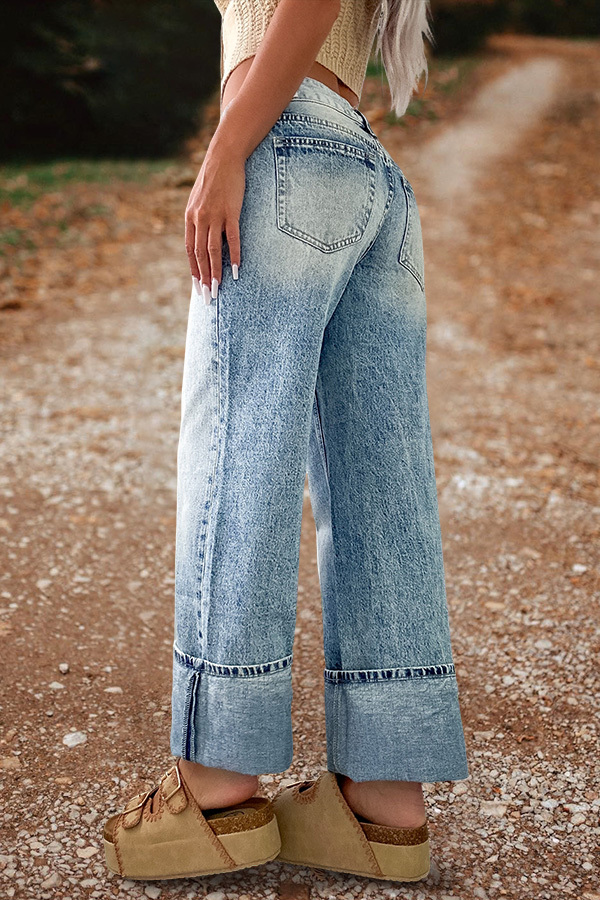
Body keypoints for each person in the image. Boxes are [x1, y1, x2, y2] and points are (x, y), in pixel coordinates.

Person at [103, 0, 469, 884]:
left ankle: (217, 785)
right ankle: (383, 801)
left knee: (239, 463)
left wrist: (228, 147)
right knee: (384, 490)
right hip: (368, 171)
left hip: (283, 146)